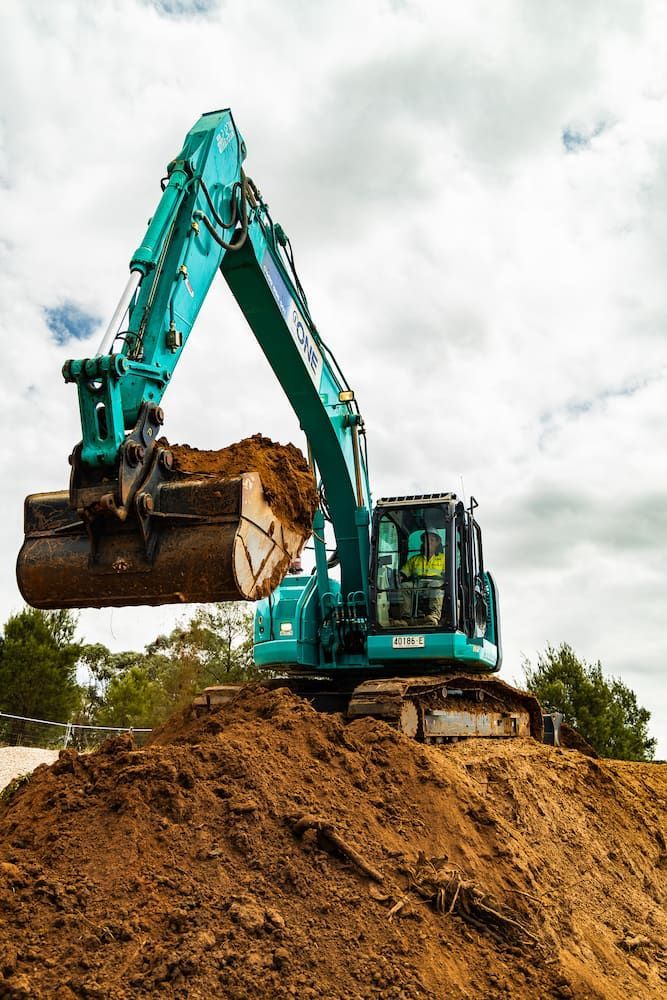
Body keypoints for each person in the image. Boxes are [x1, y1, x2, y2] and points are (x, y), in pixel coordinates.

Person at [392, 531, 445, 626]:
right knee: (405, 585)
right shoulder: (414, 559)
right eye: (426, 540)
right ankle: (406, 618)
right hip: (418, 584)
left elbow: (447, 575)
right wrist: (397, 579)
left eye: (432, 540)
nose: (428, 543)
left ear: (437, 543)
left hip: (435, 584)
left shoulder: (443, 559)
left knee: (435, 585)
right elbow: (404, 573)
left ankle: (434, 616)